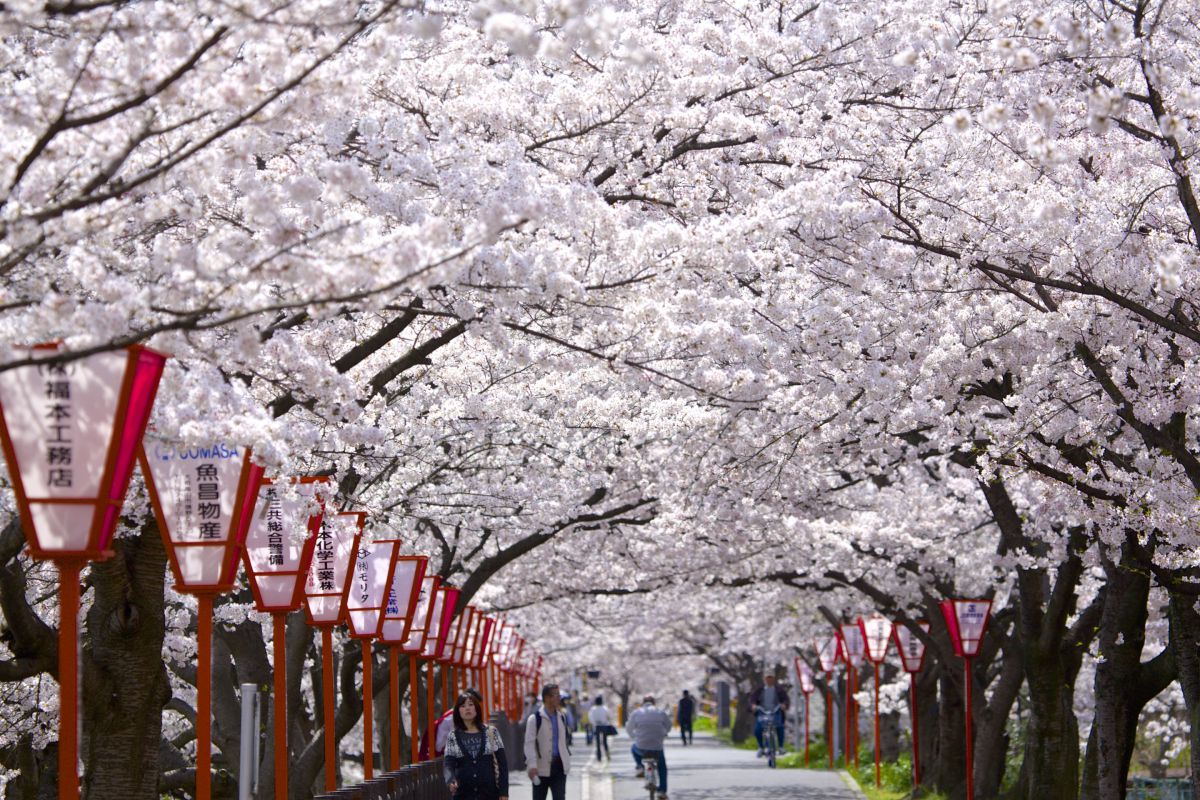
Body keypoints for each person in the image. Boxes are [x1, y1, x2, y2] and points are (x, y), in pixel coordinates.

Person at [444, 689, 509, 800]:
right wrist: (450, 780)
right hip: (463, 795)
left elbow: (503, 764)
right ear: (458, 711)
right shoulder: (453, 736)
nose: (467, 708)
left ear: (477, 709)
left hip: (489, 794)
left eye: (470, 705)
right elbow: (448, 765)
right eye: (463, 706)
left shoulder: (491, 732)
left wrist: (504, 792)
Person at [524, 684, 571, 800]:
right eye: (556, 695)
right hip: (540, 768)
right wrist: (532, 765)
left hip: (559, 767)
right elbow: (529, 744)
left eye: (559, 695)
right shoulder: (535, 719)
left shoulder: (561, 717)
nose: (559, 698)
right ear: (547, 698)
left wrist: (567, 760)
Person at [627, 695, 671, 800]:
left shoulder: (636, 713)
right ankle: (662, 791)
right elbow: (669, 726)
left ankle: (640, 767)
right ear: (654, 703)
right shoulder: (660, 712)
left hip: (641, 747)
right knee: (662, 768)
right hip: (657, 747)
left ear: (643, 703)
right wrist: (664, 733)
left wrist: (634, 737)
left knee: (633, 749)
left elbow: (629, 728)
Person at [750, 673, 789, 756]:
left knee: (780, 727)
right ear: (765, 679)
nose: (769, 680)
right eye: (768, 678)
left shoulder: (779, 690)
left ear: (773, 679)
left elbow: (785, 699)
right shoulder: (760, 689)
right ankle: (761, 747)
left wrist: (784, 705)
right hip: (762, 712)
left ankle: (781, 747)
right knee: (758, 729)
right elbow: (753, 699)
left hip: (776, 711)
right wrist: (753, 705)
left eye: (771, 678)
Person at [588, 695, 613, 761]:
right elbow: (609, 716)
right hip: (604, 725)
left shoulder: (593, 709)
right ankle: (607, 754)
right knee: (605, 742)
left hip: (596, 726)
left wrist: (594, 722)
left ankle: (599, 757)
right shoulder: (605, 708)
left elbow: (590, 718)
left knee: (598, 742)